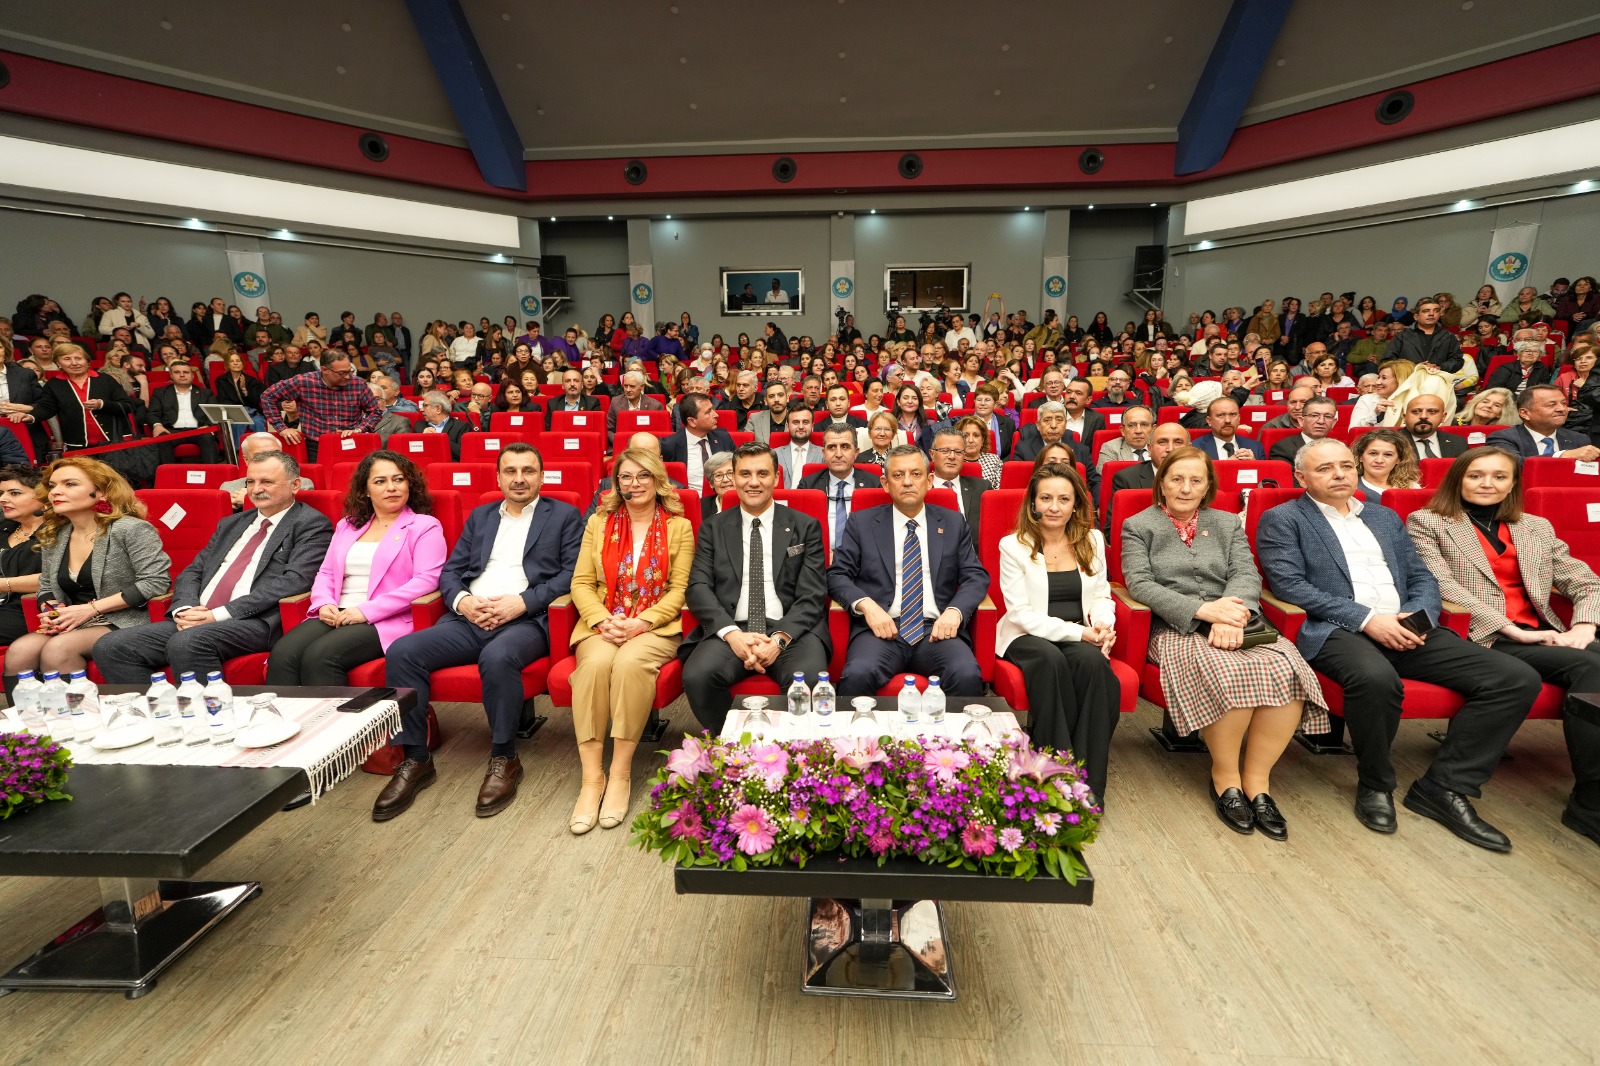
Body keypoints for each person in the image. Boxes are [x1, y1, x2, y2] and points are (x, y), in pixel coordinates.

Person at [1256, 440, 1540, 850]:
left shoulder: (1385, 517)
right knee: (1376, 679)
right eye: (1325, 469)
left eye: (1345, 466)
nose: (1339, 474)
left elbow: (1421, 576)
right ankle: (1375, 783)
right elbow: (1291, 586)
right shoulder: (1284, 519)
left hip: (1409, 625)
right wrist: (1370, 620)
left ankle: (1444, 786)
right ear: (1301, 477)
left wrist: (1414, 615)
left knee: (1515, 677)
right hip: (1338, 628)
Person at [1121, 447, 1326, 839]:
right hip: (1175, 626)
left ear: (1208, 487)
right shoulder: (1139, 524)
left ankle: (1258, 783)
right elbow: (1140, 584)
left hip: (1239, 620)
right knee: (1226, 670)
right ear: (1160, 483)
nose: (1185, 487)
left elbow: (1246, 575)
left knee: (1287, 670)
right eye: (1176, 479)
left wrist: (1235, 613)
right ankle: (1226, 779)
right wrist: (1204, 611)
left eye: (1195, 480)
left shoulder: (1228, 523)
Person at [1405, 447, 1600, 847]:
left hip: (1546, 632)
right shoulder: (1428, 522)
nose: (1487, 484)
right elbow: (1443, 587)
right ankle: (1590, 802)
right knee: (1591, 669)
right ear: (1458, 478)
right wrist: (1513, 629)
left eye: (1499, 476)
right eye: (1476, 475)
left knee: (1593, 657)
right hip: (1487, 636)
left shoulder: (1535, 527)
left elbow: (1584, 581)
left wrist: (1584, 623)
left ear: (1513, 484)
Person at [376, 445, 582, 822]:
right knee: (404, 652)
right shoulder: (481, 515)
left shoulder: (566, 516)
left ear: (541, 475)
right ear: (498, 477)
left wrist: (520, 603)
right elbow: (451, 572)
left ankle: (504, 756)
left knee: (498, 657)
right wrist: (464, 602)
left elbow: (571, 575)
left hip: (527, 619)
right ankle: (416, 759)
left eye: (528, 470)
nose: (519, 478)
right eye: (510, 471)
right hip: (469, 617)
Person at [93, 451, 332, 682]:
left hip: (253, 620)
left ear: (295, 485)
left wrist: (216, 615)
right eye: (251, 481)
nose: (256, 489)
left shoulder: (310, 524)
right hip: (199, 615)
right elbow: (194, 570)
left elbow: (294, 581)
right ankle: (157, 713)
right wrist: (184, 608)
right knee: (110, 646)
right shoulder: (232, 523)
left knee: (187, 641)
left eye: (267, 482)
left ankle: (207, 718)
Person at [566, 448, 694, 834]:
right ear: (615, 483)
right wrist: (603, 619)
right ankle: (592, 780)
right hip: (603, 622)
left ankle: (619, 773)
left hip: (656, 626)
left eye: (642, 476)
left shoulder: (679, 527)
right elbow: (581, 584)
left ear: (657, 481)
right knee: (594, 666)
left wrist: (641, 622)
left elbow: (679, 590)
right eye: (625, 477)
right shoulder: (599, 523)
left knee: (628, 664)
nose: (633, 484)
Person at [681, 443, 831, 732]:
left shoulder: (805, 525)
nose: (753, 482)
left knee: (809, 677)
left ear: (776, 477)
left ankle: (795, 751)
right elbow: (698, 586)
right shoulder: (713, 527)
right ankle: (728, 748)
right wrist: (732, 634)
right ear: (733, 478)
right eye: (745, 473)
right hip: (732, 626)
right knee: (698, 675)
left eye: (762, 473)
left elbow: (812, 593)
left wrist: (778, 640)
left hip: (791, 629)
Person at [265, 452, 446, 686]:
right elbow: (326, 572)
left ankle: (335, 723)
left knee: (321, 657)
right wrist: (323, 603)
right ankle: (287, 721)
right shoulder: (347, 526)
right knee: (284, 654)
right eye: (380, 481)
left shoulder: (424, 526)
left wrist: (366, 611)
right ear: (366, 490)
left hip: (385, 617)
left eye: (398, 479)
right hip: (337, 610)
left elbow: (426, 581)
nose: (391, 487)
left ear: (409, 484)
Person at [997, 462, 1120, 797]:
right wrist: (1081, 634)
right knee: (1050, 660)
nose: (1054, 507)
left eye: (1063, 499)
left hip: (1080, 631)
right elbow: (1020, 613)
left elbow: (1101, 595)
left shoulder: (1092, 539)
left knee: (1094, 665)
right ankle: (1056, 775)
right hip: (1026, 635)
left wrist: (1102, 626)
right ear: (1033, 503)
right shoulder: (1014, 545)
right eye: (1046, 498)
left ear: (1076, 503)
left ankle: (1088, 783)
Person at [828, 445, 988, 699]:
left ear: (930, 480)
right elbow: (837, 575)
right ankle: (857, 740)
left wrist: (954, 612)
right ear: (885, 483)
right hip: (880, 629)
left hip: (936, 629)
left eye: (915, 474)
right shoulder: (861, 523)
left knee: (966, 674)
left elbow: (975, 575)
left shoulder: (953, 522)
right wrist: (868, 607)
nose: (907, 482)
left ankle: (951, 740)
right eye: (898, 475)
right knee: (859, 673)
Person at [5, 458, 170, 682]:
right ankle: (29, 717)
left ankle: (79, 716)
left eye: (70, 484)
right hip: (76, 619)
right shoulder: (56, 533)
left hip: (127, 618)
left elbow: (155, 582)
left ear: (101, 492)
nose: (56, 492)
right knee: (19, 652)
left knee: (58, 649)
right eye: (52, 486)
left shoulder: (131, 529)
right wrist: (52, 610)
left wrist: (91, 609)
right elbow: (46, 583)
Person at [260, 348, 382, 461]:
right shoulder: (304, 382)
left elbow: (375, 411)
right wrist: (282, 428)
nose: (347, 376)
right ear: (324, 370)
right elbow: (268, 396)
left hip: (349, 443)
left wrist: (359, 429)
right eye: (341, 373)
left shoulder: (357, 383)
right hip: (315, 446)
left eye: (349, 371)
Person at [21, 343, 136, 450]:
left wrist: (102, 404)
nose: (74, 363)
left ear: (87, 361)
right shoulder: (54, 384)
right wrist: (30, 416)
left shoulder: (105, 379)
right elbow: (47, 408)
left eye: (78, 358)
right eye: (67, 359)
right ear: (58, 363)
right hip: (77, 445)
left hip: (115, 442)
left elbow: (128, 405)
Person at [797, 425, 877, 544]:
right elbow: (800, 529)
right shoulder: (808, 485)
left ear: (856, 452)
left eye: (845, 447)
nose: (838, 454)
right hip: (820, 555)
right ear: (824, 453)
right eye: (832, 447)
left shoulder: (874, 485)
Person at [1489, 385, 1600, 460]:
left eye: (1564, 403)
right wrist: (1561, 455)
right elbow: (1514, 465)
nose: (1562, 409)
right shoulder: (1502, 438)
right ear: (1525, 413)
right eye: (1551, 404)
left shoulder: (1579, 439)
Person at [0, 465, 44, 651]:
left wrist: (3, 584)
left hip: (30, 609)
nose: (3, 499)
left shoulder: (58, 532)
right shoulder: (4, 528)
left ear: (43, 497)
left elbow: (57, 577)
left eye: (15, 493)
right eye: (1, 493)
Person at [148, 360, 222, 464]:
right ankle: (168, 477)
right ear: (171, 375)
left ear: (192, 375)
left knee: (207, 437)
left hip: (199, 430)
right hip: (171, 430)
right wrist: (157, 425)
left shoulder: (205, 393)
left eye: (186, 372)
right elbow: (152, 413)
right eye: (177, 372)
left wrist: (208, 426)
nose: (182, 375)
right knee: (162, 439)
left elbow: (215, 413)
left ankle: (211, 474)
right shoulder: (160, 393)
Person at [659, 394, 735, 494]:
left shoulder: (723, 438)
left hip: (721, 498)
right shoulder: (669, 445)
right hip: (687, 502)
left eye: (713, 409)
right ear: (692, 421)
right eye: (708, 412)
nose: (716, 414)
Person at [927, 428, 985, 545]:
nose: (952, 456)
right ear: (932, 455)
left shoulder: (982, 488)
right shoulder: (921, 489)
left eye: (958, 452)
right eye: (945, 451)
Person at [1268, 396, 1340, 470]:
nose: (1321, 421)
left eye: (1327, 416)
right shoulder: (1283, 449)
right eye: (1314, 416)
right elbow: (1288, 479)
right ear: (1301, 421)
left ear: (1333, 423)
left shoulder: (1340, 448)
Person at [1353, 428, 1419, 500]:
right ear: (1361, 457)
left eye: (1388, 454)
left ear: (1398, 460)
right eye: (1373, 453)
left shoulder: (1412, 488)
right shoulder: (1350, 488)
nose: (1379, 460)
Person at [1193, 396, 1266, 460]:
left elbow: (1265, 475)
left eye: (1232, 414)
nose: (1227, 420)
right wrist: (1226, 465)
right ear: (1209, 420)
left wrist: (1254, 464)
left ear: (1239, 418)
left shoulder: (1255, 446)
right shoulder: (1195, 448)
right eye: (1221, 415)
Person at [774, 405, 824, 488]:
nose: (801, 427)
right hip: (781, 500)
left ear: (812, 427)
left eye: (805, 422)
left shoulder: (823, 454)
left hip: (811, 499)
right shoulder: (775, 454)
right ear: (787, 427)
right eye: (796, 422)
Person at [1095, 404, 1156, 471]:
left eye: (1144, 425)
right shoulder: (1110, 448)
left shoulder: (1163, 447)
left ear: (1153, 429)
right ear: (1123, 430)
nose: (1138, 431)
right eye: (1132, 425)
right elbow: (1105, 479)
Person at [414, 391, 470, 461]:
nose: (421, 409)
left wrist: (438, 438)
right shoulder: (420, 425)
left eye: (425, 406)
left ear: (438, 409)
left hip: (449, 467)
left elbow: (462, 452)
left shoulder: (461, 427)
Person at [955, 414, 1003, 486]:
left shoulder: (994, 460)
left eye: (976, 435)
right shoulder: (953, 460)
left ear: (983, 440)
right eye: (965, 436)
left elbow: (999, 491)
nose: (970, 440)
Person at [700, 451, 735, 519]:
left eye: (730, 473)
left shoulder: (752, 502)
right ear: (711, 483)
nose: (725, 480)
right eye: (718, 475)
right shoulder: (701, 506)